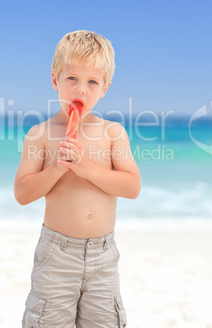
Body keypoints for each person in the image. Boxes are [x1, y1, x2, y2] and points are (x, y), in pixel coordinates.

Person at [14, 30, 141, 327]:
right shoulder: (41, 135)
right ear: (55, 79)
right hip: (57, 254)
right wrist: (57, 168)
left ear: (105, 88)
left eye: (92, 82)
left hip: (103, 254)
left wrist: (87, 169)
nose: (80, 90)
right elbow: (22, 193)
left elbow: (132, 186)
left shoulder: (113, 133)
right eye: (72, 78)